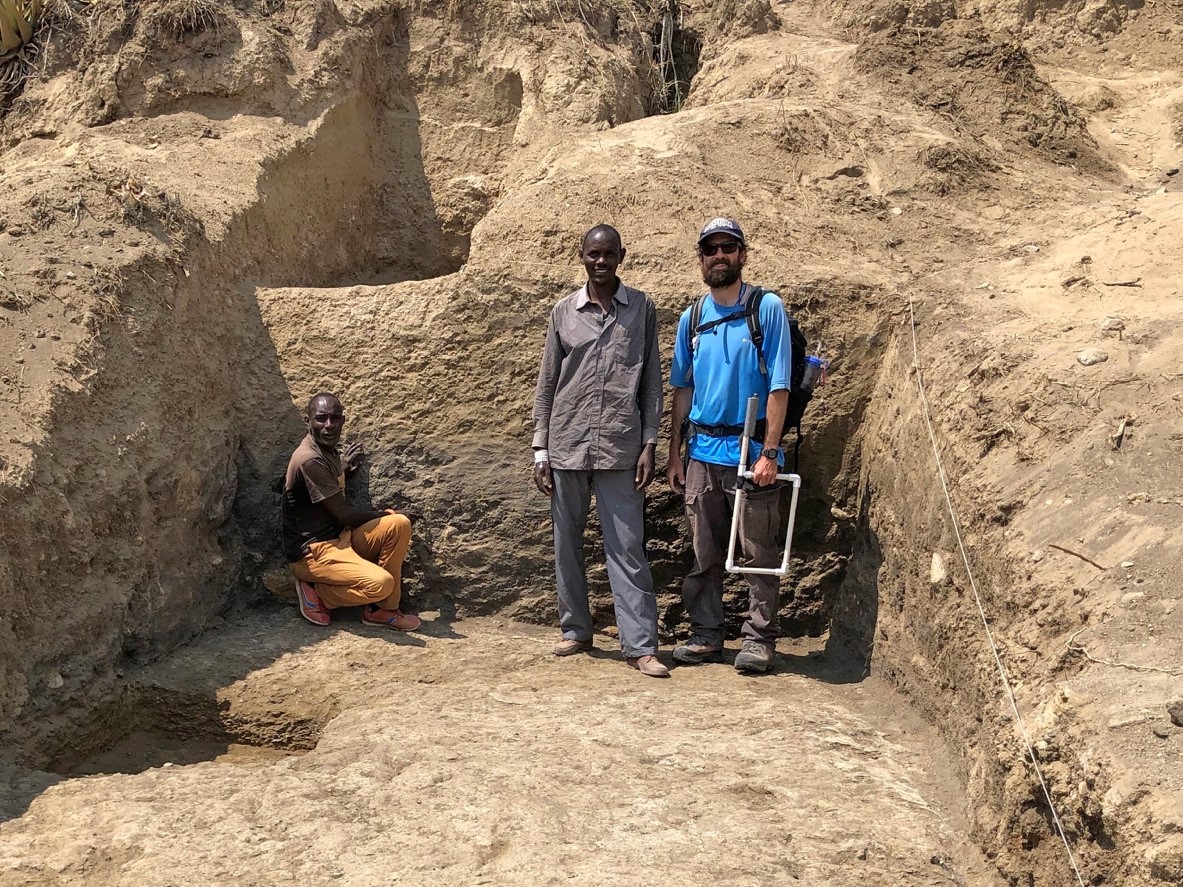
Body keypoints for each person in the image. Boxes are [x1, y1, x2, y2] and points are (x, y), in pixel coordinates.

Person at [531, 224, 668, 678]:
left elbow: (651, 383)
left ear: (621, 255)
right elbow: (548, 384)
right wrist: (540, 449)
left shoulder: (642, 309)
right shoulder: (562, 313)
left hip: (621, 445)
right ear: (582, 256)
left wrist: (651, 442)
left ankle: (640, 645)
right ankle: (575, 630)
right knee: (566, 542)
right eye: (594, 254)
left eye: (609, 253)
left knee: (627, 546)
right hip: (567, 443)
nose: (601, 261)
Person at [666, 218, 791, 674]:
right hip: (702, 452)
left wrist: (770, 452)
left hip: (750, 449)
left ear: (743, 254)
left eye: (728, 247)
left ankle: (759, 639)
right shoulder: (692, 318)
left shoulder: (767, 308)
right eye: (711, 249)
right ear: (700, 258)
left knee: (758, 550)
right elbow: (683, 388)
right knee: (705, 551)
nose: (720, 255)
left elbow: (779, 385)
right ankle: (706, 634)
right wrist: (675, 454)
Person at [282, 393, 421, 631]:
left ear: (343, 420)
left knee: (399, 524)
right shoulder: (308, 459)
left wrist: (342, 470)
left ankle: (382, 610)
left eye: (335, 419)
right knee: (381, 583)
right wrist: (386, 512)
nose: (329, 425)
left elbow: (328, 489)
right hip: (314, 552)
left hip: (340, 540)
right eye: (321, 419)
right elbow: (344, 515)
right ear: (308, 421)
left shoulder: (328, 452)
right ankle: (318, 594)